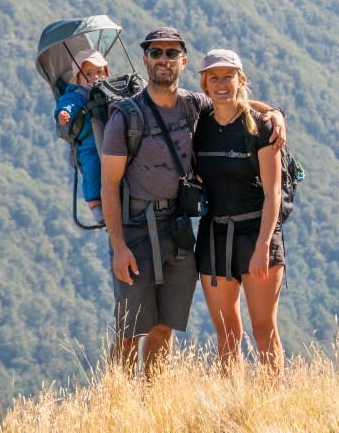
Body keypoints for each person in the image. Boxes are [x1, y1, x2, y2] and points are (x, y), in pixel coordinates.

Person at [100, 26, 285, 377]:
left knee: (164, 326)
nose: (164, 60)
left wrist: (275, 112)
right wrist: (118, 245)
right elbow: (109, 185)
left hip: (181, 230)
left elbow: (232, 102)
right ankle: (118, 404)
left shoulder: (191, 106)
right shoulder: (126, 117)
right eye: (157, 53)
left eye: (171, 53)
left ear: (183, 61)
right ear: (145, 59)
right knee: (130, 330)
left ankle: (154, 400)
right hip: (138, 230)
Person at [193, 48, 285, 371]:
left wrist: (262, 247)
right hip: (214, 237)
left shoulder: (260, 127)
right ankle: (234, 410)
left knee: (263, 330)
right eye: (214, 78)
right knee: (226, 334)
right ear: (204, 84)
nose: (221, 84)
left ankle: (270, 407)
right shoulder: (198, 124)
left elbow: (273, 193)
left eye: (228, 77)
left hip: (256, 233)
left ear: (240, 80)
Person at [54, 48, 110, 221]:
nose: (95, 77)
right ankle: (95, 205)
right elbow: (67, 105)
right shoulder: (78, 94)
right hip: (89, 141)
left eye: (99, 71)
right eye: (88, 73)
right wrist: (64, 114)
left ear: (106, 72)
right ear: (78, 78)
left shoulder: (108, 89)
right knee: (92, 168)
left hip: (109, 137)